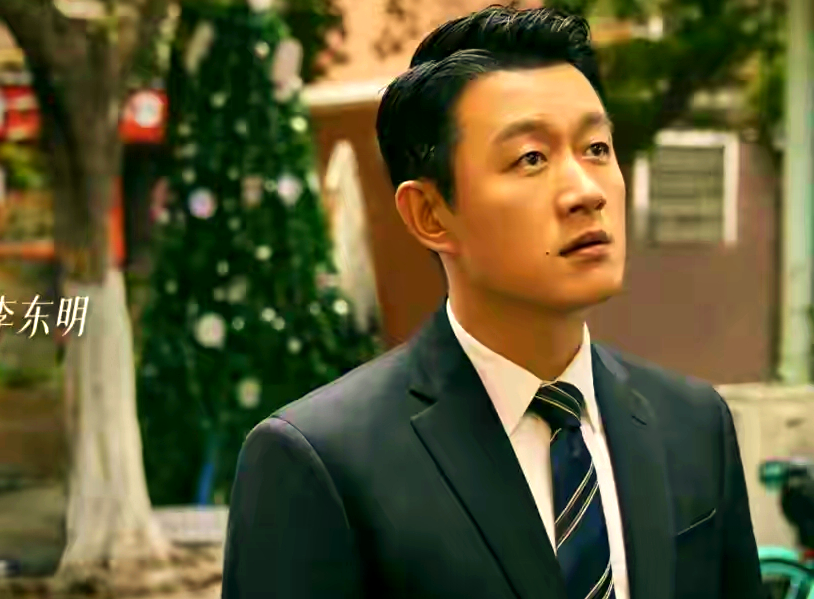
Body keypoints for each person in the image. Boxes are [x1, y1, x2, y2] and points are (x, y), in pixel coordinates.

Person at [220, 5, 763, 599]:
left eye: (596, 148)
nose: (586, 191)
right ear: (430, 214)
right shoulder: (320, 461)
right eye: (531, 158)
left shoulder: (692, 425)